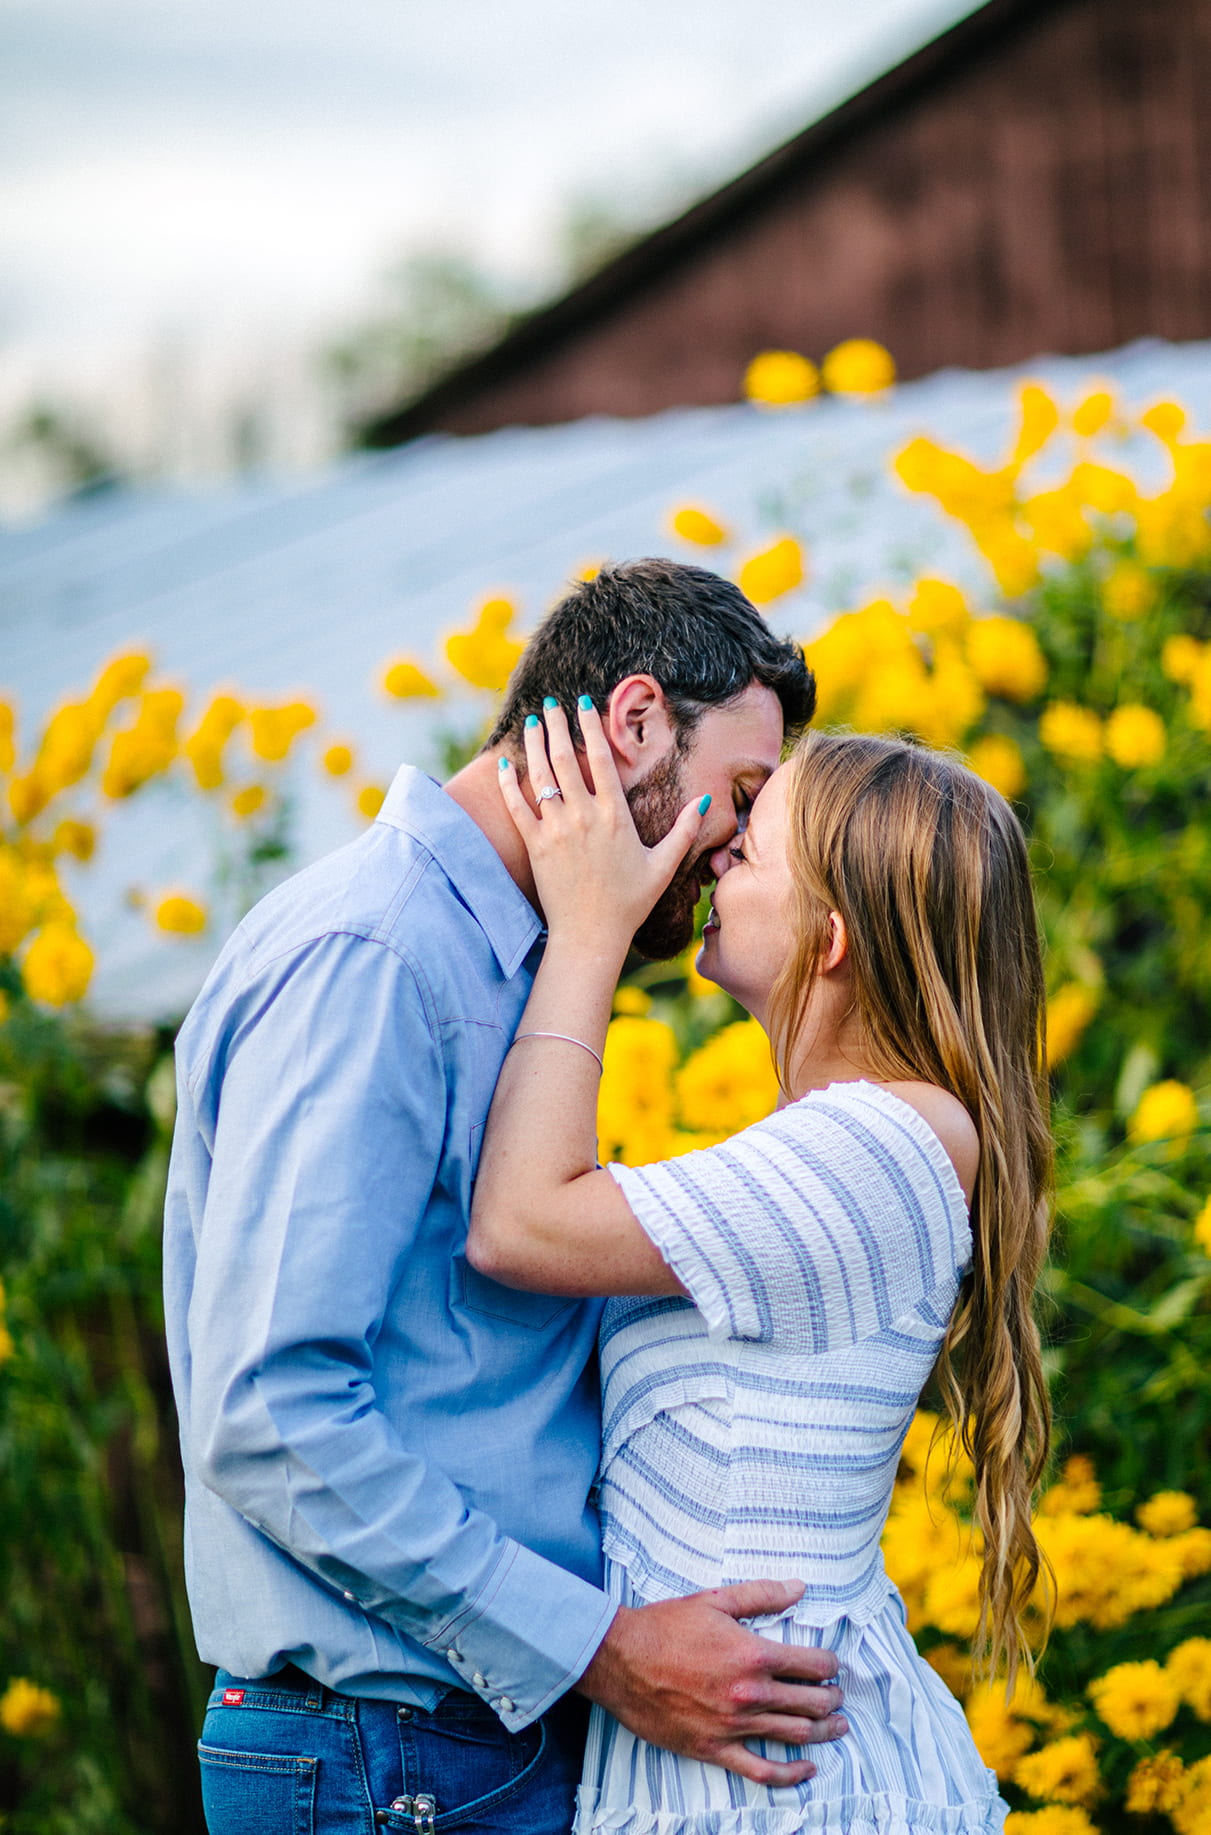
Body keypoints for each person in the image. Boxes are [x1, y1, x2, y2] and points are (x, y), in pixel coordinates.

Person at [162, 558, 850, 1835]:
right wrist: (597, 1645)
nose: (735, 848)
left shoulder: (531, 963)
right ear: (633, 721)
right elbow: (271, 1411)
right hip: (388, 1754)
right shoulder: (374, 955)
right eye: (739, 797)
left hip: (457, 1745)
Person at [467, 708, 1054, 1834]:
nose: (705, 860)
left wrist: (589, 930)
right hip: (731, 1750)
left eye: (740, 852)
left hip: (781, 1782)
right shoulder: (836, 1143)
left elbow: (520, 1222)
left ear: (827, 936)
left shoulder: (886, 1145)